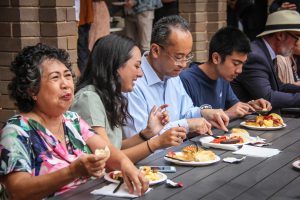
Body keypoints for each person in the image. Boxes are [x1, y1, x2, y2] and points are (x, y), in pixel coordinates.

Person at [0, 43, 148, 199]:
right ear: (32, 90)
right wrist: (72, 172)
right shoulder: (16, 131)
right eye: (55, 77)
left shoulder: (72, 120)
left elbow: (108, 151)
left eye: (68, 75)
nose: (66, 85)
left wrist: (127, 166)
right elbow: (18, 190)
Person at [70, 34, 187, 163]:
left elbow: (115, 148)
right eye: (136, 66)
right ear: (115, 66)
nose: (140, 73)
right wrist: (156, 143)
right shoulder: (88, 99)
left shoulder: (108, 96)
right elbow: (106, 159)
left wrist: (147, 133)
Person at [123, 15, 230, 140]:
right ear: (156, 50)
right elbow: (139, 138)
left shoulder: (172, 74)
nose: (184, 64)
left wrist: (204, 113)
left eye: (187, 56)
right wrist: (187, 124)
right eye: (178, 57)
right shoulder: (133, 82)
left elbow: (185, 112)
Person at [180, 27, 272, 120]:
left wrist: (251, 106)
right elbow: (184, 124)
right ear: (216, 58)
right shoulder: (185, 80)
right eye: (235, 63)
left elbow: (234, 107)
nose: (239, 70)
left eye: (242, 64)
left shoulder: (223, 77)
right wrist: (227, 114)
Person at [231, 10, 300, 111]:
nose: (297, 43)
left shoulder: (266, 52)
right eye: (297, 37)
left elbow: (279, 86)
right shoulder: (256, 56)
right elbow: (267, 97)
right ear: (280, 35)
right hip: (248, 121)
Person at [77, 0, 110, 72]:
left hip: (93, 13)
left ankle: (89, 74)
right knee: (86, 47)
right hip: (88, 14)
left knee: (92, 47)